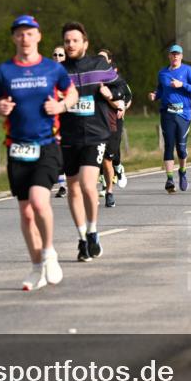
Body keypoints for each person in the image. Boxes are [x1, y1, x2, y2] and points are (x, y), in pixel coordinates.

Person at [0, 16, 75, 291]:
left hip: (47, 144)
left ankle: (49, 253)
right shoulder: (4, 71)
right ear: (14, 38)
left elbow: (72, 95)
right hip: (17, 147)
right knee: (25, 214)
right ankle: (37, 268)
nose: (25, 38)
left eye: (30, 33)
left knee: (38, 200)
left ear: (39, 36)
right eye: (20, 34)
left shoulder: (51, 68)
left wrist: (60, 107)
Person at [59, 22, 120, 261]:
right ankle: (82, 238)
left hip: (95, 135)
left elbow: (122, 88)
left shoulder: (99, 65)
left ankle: (93, 230)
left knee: (86, 184)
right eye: (67, 41)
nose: (71, 44)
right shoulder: (58, 71)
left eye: (75, 40)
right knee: (72, 187)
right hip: (68, 136)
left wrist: (111, 94)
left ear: (85, 44)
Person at [148, 44, 191, 193]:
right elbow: (160, 90)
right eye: (173, 54)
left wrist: (182, 84)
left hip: (183, 114)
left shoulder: (188, 70)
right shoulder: (162, 73)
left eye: (178, 54)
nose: (175, 56)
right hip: (167, 113)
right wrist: (154, 95)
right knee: (169, 146)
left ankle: (182, 171)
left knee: (182, 149)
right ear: (169, 56)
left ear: (181, 56)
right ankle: (170, 179)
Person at [97, 49, 131, 208]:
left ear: (109, 61)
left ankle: (109, 191)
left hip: (112, 124)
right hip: (94, 125)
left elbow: (121, 101)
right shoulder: (90, 79)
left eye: (103, 58)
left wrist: (108, 96)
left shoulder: (117, 80)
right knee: (93, 161)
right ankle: (95, 191)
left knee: (108, 159)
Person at [50, 46, 69, 199]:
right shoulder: (48, 73)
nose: (57, 57)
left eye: (60, 55)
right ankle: (62, 186)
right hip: (54, 119)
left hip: (71, 117)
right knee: (57, 151)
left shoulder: (71, 73)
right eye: (55, 54)